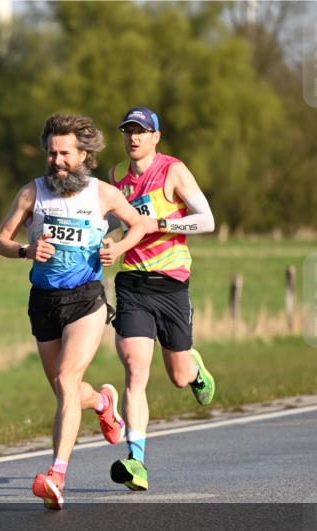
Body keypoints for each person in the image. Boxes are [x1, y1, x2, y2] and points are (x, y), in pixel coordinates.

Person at [0, 113, 151, 510]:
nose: (56, 161)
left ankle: (56, 475)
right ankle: (101, 402)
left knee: (66, 379)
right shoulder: (32, 194)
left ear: (83, 155)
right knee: (65, 390)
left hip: (86, 298)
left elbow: (138, 225)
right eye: (51, 153)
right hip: (44, 300)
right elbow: (0, 240)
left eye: (64, 153)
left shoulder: (102, 195)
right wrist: (25, 251)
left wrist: (119, 247)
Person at [106, 107, 217, 492]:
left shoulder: (173, 170)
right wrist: (108, 240)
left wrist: (162, 223)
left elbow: (207, 220)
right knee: (136, 370)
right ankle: (137, 462)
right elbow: (115, 223)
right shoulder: (116, 177)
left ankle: (195, 368)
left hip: (171, 283)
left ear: (156, 136)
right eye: (128, 132)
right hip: (133, 283)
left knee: (178, 376)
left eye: (141, 131)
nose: (133, 138)